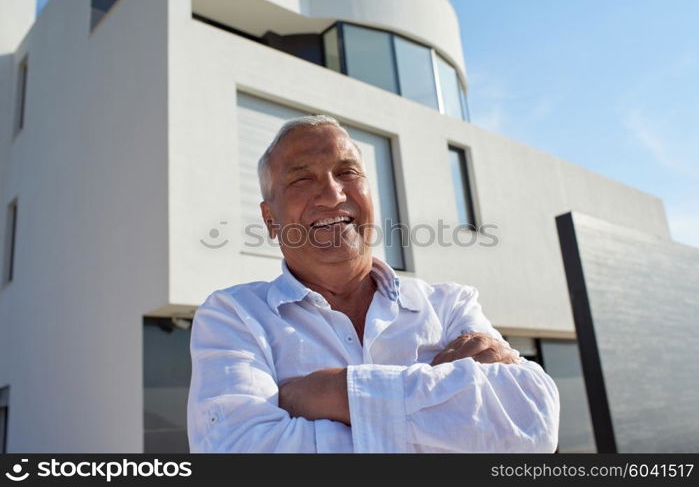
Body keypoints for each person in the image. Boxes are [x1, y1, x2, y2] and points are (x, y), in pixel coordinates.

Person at [187, 115, 560, 453]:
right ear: (270, 220)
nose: (334, 194)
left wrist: (330, 393)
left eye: (347, 172)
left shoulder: (450, 306)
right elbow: (237, 451)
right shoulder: (234, 316)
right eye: (302, 179)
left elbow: (533, 424)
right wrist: (444, 411)